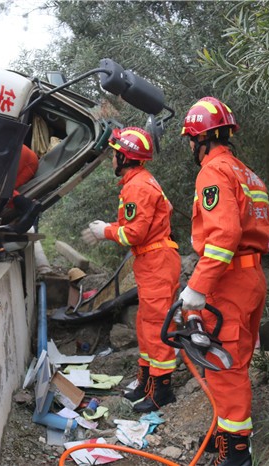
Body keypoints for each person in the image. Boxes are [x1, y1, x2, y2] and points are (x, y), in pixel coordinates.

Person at [179, 97, 269, 466]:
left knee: (224, 366)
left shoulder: (213, 171)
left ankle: (234, 455)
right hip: (251, 277)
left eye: (190, 138)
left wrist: (198, 286)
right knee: (237, 360)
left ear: (200, 138)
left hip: (228, 281)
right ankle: (226, 434)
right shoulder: (247, 173)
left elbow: (223, 236)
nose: (190, 146)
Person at [81, 127, 181, 413]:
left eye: (115, 154)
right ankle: (146, 382)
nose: (112, 159)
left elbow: (134, 233)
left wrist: (106, 231)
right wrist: (109, 230)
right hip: (152, 262)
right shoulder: (136, 183)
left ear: (125, 157)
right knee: (146, 325)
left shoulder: (138, 186)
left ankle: (161, 390)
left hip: (157, 262)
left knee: (157, 325)